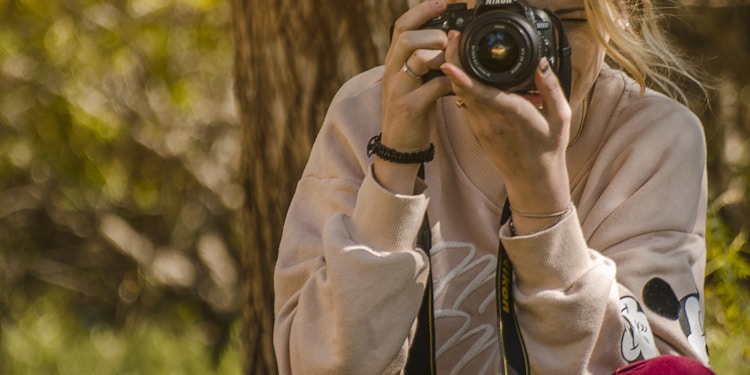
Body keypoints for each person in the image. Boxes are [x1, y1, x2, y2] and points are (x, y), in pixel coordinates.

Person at [273, 0, 714, 373]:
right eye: (498, 22)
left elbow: (658, 366)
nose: (527, 51)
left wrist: (543, 202)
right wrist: (395, 165)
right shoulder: (370, 110)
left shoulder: (652, 137)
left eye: (564, 20)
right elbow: (316, 365)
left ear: (619, 14)